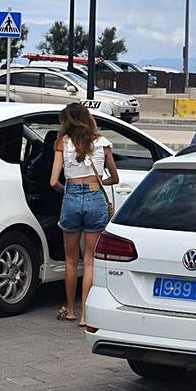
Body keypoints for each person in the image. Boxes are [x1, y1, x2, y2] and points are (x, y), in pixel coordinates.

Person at [50, 103, 119, 327]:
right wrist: (99, 182)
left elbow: (53, 182)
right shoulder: (103, 143)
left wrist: (67, 190)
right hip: (95, 197)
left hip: (71, 197)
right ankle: (85, 315)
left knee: (71, 261)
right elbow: (114, 177)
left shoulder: (62, 143)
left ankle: (70, 310)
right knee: (89, 261)